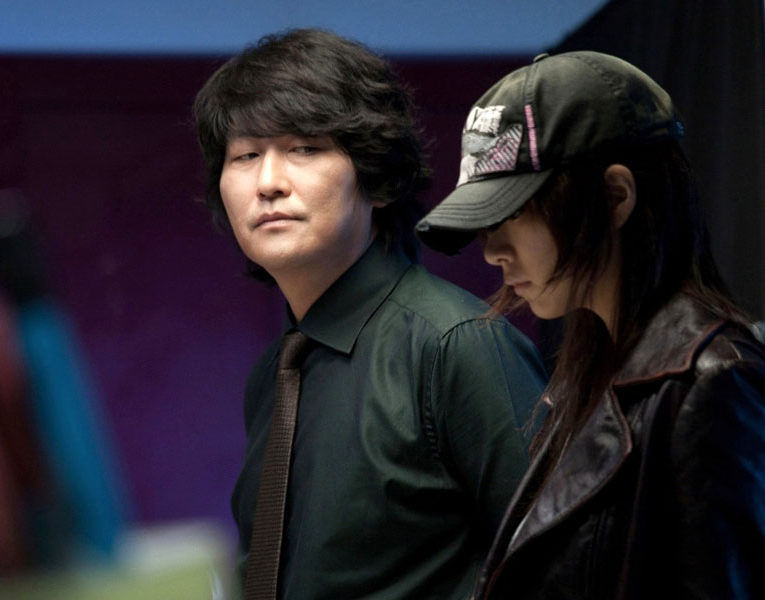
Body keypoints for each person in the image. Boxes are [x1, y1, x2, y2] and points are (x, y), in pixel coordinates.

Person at [193, 29, 548, 599]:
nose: (268, 183)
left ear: (377, 180)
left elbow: (564, 570)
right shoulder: (274, 373)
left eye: (304, 149)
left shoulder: (455, 344)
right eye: (246, 155)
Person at [416, 51, 765, 599]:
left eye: (513, 213)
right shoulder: (589, 377)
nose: (492, 252)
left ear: (616, 196)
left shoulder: (714, 383)